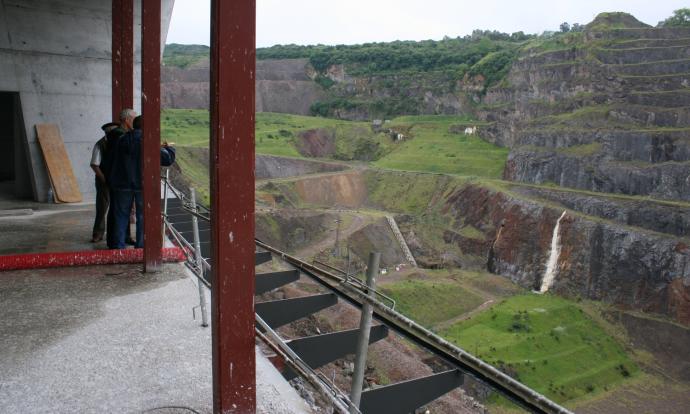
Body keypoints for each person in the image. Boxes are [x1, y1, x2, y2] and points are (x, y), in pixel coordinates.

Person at [109, 115, 176, 249]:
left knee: (121, 216)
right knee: (143, 216)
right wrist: (169, 148)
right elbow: (167, 159)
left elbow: (115, 161)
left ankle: (118, 248)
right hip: (143, 185)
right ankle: (141, 246)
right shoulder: (149, 141)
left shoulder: (122, 139)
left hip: (122, 184)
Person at [102, 109, 136, 248]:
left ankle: (124, 237)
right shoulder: (118, 135)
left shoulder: (119, 134)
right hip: (119, 178)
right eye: (134, 119)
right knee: (118, 211)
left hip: (118, 177)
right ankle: (115, 241)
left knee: (121, 210)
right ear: (127, 120)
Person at [90, 122, 118, 242]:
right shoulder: (100, 144)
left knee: (119, 209)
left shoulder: (119, 142)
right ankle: (98, 233)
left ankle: (118, 234)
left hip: (117, 180)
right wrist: (104, 180)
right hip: (104, 181)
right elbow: (94, 165)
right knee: (102, 208)